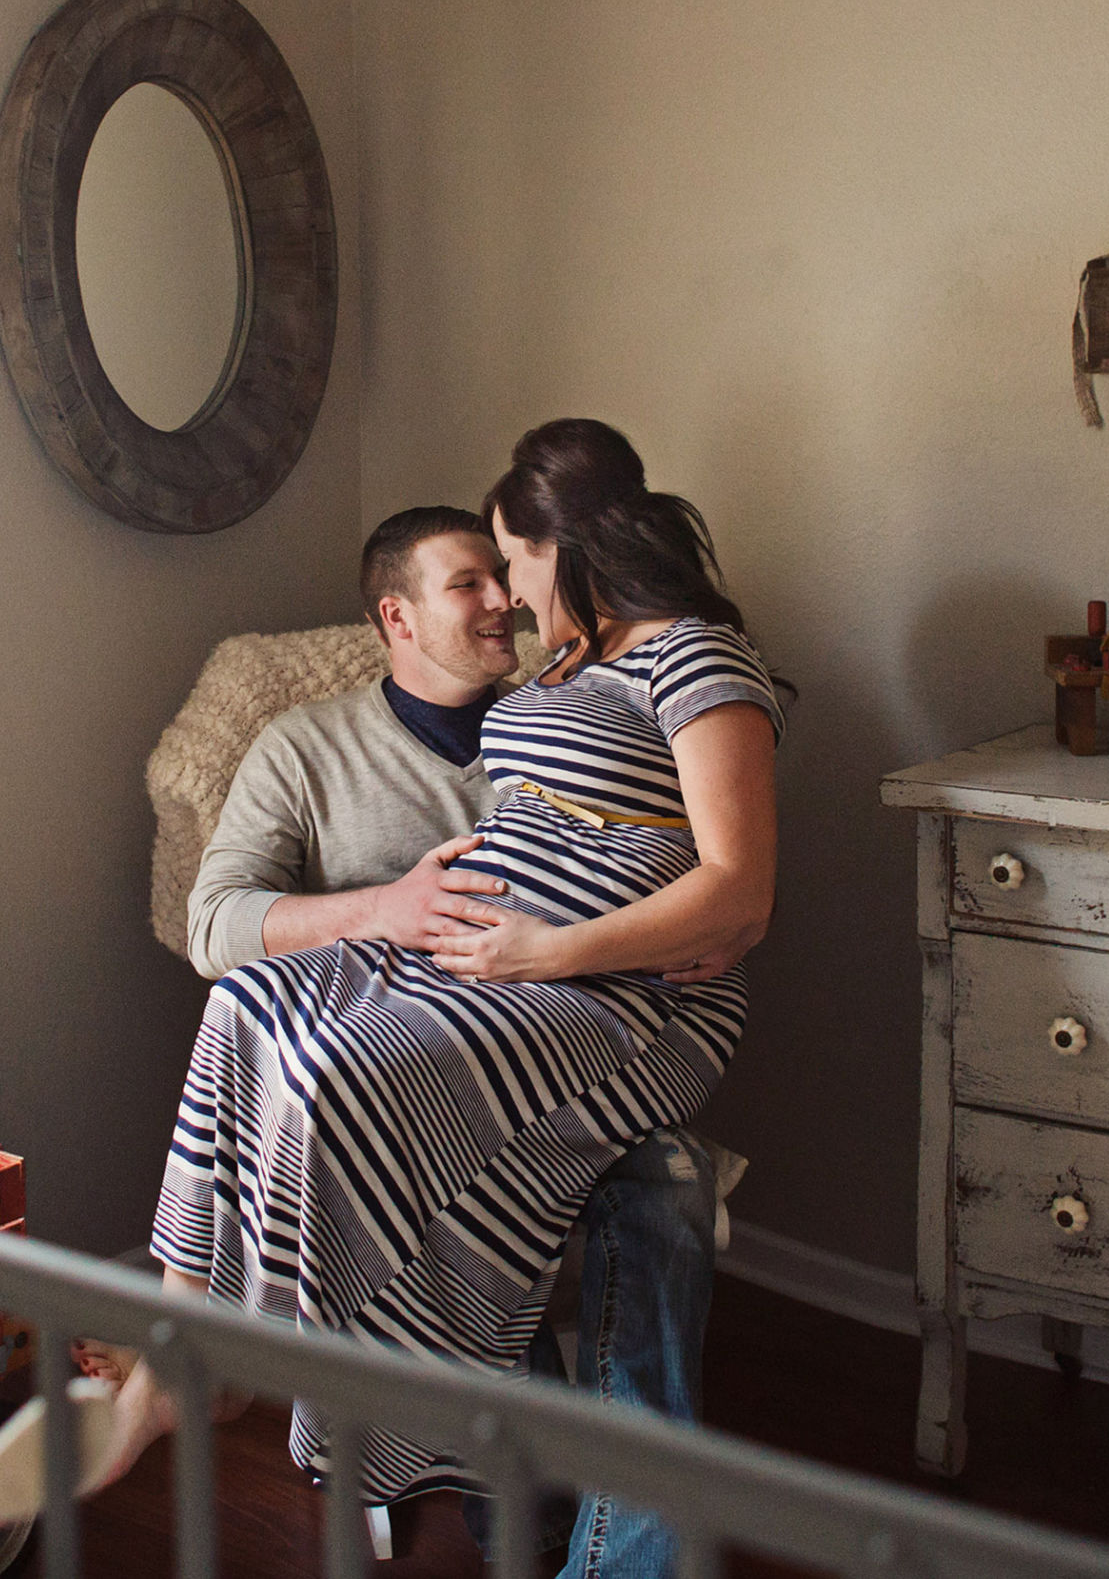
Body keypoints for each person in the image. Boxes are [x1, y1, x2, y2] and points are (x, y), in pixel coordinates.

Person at [92, 420, 783, 1577]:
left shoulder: (690, 657)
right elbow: (220, 922)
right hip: (479, 964)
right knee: (244, 1010)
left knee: (348, 1081)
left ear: (565, 544)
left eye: (509, 562)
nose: (508, 595)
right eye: (479, 577)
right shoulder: (445, 703)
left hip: (602, 989)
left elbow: (737, 885)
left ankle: (470, 1464)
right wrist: (408, 916)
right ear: (397, 616)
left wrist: (550, 948)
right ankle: (183, 1354)